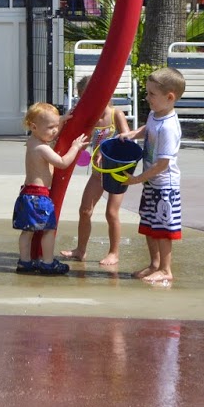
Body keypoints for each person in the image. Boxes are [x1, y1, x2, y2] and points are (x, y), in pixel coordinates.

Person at [118, 67, 185, 286]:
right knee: (149, 225)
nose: (147, 98)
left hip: (164, 186)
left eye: (151, 95)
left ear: (170, 97)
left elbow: (162, 163)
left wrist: (137, 179)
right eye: (147, 93)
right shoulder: (156, 115)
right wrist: (132, 133)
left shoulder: (169, 127)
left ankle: (166, 270)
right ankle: (154, 264)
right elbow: (148, 128)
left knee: (163, 230)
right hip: (152, 183)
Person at [59, 77, 131, 267]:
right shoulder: (90, 119)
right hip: (98, 173)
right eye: (82, 100)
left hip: (117, 172)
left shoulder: (116, 114)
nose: (86, 104)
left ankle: (114, 253)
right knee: (85, 210)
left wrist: (106, 152)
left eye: (88, 99)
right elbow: (80, 140)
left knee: (111, 212)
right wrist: (69, 119)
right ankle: (80, 250)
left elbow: (128, 140)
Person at [14, 102, 80, 275]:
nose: (55, 131)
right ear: (34, 127)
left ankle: (25, 262)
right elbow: (63, 163)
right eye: (51, 127)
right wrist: (75, 148)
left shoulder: (32, 142)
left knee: (27, 231)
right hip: (40, 197)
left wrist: (62, 120)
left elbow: (50, 131)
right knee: (49, 230)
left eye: (56, 126)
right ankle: (48, 263)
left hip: (27, 194)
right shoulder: (43, 148)